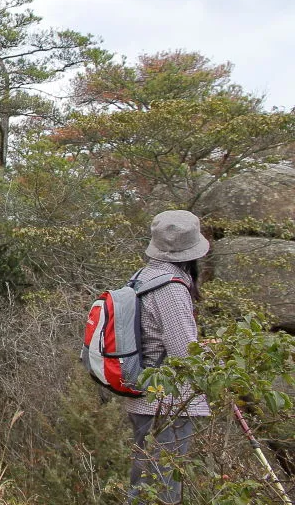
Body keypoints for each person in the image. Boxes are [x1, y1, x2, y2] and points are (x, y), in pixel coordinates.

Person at [125, 209, 211, 504]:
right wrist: (218, 358)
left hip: (143, 397)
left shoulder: (143, 276)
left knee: (144, 486)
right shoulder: (171, 288)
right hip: (168, 401)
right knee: (162, 491)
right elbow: (185, 354)